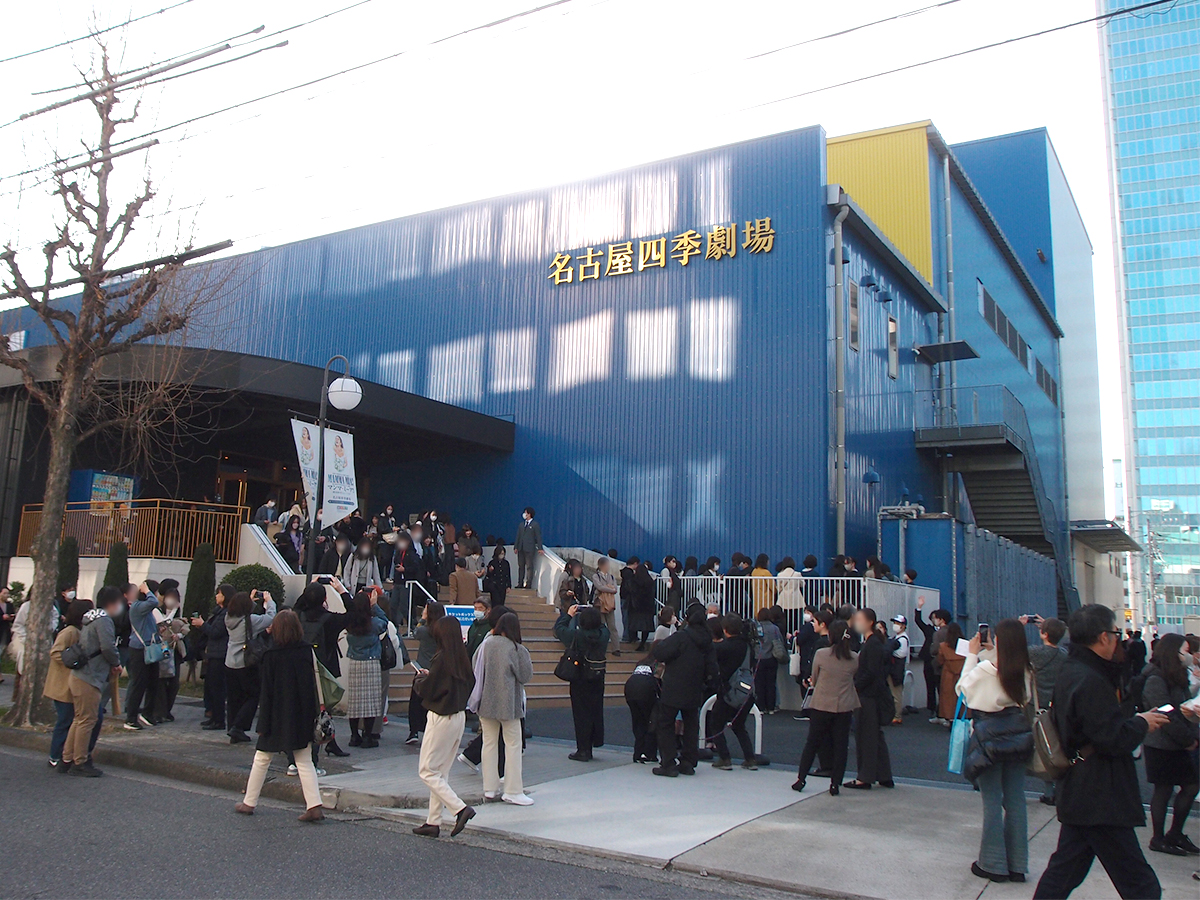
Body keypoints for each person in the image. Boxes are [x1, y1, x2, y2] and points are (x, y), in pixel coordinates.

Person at [1032, 604, 1171, 900]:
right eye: (1116, 633)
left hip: (1083, 788)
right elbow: (1111, 737)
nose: (1118, 640)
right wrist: (1141, 723)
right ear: (1103, 637)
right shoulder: (1090, 678)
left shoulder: (1073, 670)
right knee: (1141, 885)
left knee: (1064, 872)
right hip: (1101, 792)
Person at [958, 618, 1034, 883]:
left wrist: (972, 655)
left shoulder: (985, 670)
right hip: (1018, 733)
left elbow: (964, 690)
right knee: (1015, 799)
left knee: (991, 800)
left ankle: (993, 863)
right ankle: (1018, 864)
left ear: (998, 641)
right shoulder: (1026, 671)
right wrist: (989, 651)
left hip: (988, 735)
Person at [233, 609, 324, 822]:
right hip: (302, 714)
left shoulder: (271, 656)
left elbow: (267, 693)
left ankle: (249, 802)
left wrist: (262, 723)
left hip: (276, 715)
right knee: (304, 760)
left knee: (262, 758)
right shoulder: (306, 651)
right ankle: (314, 805)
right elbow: (312, 685)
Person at [412, 615, 477, 838]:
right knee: (441, 771)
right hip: (458, 716)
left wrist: (420, 679)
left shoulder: (441, 658)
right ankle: (433, 821)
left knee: (427, 771)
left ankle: (459, 808)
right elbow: (467, 682)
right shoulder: (462, 655)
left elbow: (428, 689)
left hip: (441, 716)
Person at [1139, 632, 1200, 857]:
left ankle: (1175, 833)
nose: (1188, 655)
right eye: (1185, 651)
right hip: (1161, 743)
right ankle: (1158, 837)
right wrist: (1187, 739)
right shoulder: (1156, 678)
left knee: (1190, 786)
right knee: (1164, 789)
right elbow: (1166, 713)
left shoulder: (1177, 675)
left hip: (1177, 741)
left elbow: (1182, 707)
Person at [471, 612, 534, 805]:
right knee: (513, 745)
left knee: (489, 743)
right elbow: (526, 676)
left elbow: (475, 665)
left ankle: (489, 788)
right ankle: (513, 790)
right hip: (508, 704)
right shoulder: (516, 649)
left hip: (486, 702)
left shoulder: (486, 644)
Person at [651, 603, 717, 778]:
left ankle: (668, 763)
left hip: (674, 686)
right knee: (691, 725)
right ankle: (688, 762)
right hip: (695, 687)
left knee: (665, 723)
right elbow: (712, 667)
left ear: (687, 618)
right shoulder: (707, 641)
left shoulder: (681, 637)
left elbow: (659, 652)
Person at [793, 618, 858, 795]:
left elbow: (814, 677)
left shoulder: (821, 654)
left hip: (822, 703)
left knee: (812, 742)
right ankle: (835, 783)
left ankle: (801, 778)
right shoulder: (854, 657)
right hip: (844, 705)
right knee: (841, 745)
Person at [64, 588, 123, 777]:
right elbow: (107, 646)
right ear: (112, 603)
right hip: (90, 676)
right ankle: (80, 762)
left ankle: (67, 758)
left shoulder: (89, 618)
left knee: (79, 719)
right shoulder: (104, 620)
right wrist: (116, 663)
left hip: (79, 674)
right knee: (87, 720)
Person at [293, 578, 354, 759]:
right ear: (325, 599)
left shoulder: (298, 616)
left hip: (303, 665)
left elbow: (297, 605)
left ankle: (312, 742)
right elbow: (353, 613)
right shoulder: (331, 619)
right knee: (324, 707)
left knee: (303, 706)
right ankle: (326, 741)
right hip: (325, 667)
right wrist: (342, 590)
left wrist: (309, 589)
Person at [844, 607, 893, 789]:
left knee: (866, 737)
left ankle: (865, 777)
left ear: (870, 622)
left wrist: (855, 686)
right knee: (874, 736)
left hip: (867, 696)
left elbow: (870, 672)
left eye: (859, 619)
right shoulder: (873, 643)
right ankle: (883, 775)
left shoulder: (872, 645)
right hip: (872, 695)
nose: (856, 623)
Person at [1022, 614, 1068, 805]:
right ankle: (1053, 790)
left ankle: (1039, 789)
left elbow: (1015, 650)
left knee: (1034, 745)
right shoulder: (1064, 655)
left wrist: (1020, 626)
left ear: (1044, 634)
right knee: (1053, 744)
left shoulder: (1034, 652)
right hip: (1055, 705)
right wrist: (1051, 627)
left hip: (1035, 704)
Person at [554, 604, 608, 761]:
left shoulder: (577, 635)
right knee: (596, 710)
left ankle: (583, 749)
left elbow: (559, 629)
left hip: (580, 677)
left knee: (581, 713)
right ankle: (594, 742)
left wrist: (568, 615)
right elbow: (603, 627)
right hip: (598, 676)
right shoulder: (603, 634)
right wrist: (594, 614)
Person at [225, 590, 277, 744]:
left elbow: (243, 611)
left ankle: (233, 729)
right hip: (245, 661)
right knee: (253, 695)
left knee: (234, 698)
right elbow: (270, 617)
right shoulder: (251, 620)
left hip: (230, 661)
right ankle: (238, 726)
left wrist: (250, 601)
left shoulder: (228, 618)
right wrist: (269, 601)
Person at [45, 599, 92, 771]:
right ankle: (55, 755)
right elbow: (55, 652)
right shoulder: (69, 632)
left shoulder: (81, 631)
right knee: (64, 721)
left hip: (72, 684)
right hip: (62, 684)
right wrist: (71, 661)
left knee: (71, 720)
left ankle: (67, 754)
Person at [709, 614, 760, 770]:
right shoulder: (748, 646)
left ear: (725, 630)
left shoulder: (722, 648)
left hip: (729, 692)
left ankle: (724, 758)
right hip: (747, 692)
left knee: (716, 723)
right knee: (739, 725)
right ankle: (750, 758)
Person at [343, 590, 388, 747]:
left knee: (354, 702)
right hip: (371, 662)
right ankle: (368, 736)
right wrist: (375, 605)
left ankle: (354, 736)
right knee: (371, 702)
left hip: (355, 662)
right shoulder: (373, 623)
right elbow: (385, 622)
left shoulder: (350, 623)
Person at [193, 584, 232, 732]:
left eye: (219, 594)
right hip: (212, 652)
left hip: (220, 654)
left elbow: (216, 632)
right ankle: (213, 717)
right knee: (211, 687)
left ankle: (219, 719)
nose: (216, 596)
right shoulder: (217, 612)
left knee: (218, 688)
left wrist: (203, 625)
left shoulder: (226, 613)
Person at [407, 601, 445, 746]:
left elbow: (415, 632)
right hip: (438, 670)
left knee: (416, 701)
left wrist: (422, 618)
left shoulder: (424, 630)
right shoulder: (444, 630)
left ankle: (414, 731)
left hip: (422, 668)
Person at [124, 581, 160, 730]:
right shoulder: (137, 606)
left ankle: (148, 713)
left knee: (153, 682)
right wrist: (147, 590)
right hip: (139, 649)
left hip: (150, 648)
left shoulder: (146, 609)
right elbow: (154, 602)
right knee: (139, 683)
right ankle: (131, 718)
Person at [915, 597, 949, 719]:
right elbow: (918, 621)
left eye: (935, 618)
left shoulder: (947, 631)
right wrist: (919, 607)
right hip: (929, 660)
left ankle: (942, 710)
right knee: (930, 686)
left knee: (941, 686)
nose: (933, 620)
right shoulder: (929, 629)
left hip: (941, 661)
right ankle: (932, 709)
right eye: (932, 618)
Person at [624, 654, 660, 764]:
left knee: (637, 722)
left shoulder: (641, 663)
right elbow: (658, 685)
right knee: (650, 722)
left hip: (630, 688)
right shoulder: (656, 665)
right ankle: (649, 753)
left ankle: (638, 753)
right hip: (646, 691)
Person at [754, 607, 786, 714]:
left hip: (758, 658)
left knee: (759, 683)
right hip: (771, 658)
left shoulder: (756, 627)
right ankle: (771, 707)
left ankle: (761, 707)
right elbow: (780, 640)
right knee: (771, 683)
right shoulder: (775, 628)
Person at [935, 622, 966, 725]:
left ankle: (950, 719)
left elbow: (940, 660)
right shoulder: (965, 645)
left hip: (948, 674)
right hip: (962, 673)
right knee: (962, 696)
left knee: (948, 698)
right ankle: (963, 718)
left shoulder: (943, 646)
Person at [623, 557, 656, 651]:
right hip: (647, 608)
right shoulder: (650, 582)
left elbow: (629, 590)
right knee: (646, 627)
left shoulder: (634, 581)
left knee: (633, 624)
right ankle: (642, 643)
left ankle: (632, 639)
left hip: (636, 607)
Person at [592, 557, 620, 655]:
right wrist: (610, 589)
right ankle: (601, 647)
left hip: (610, 604)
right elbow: (599, 587)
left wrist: (607, 588)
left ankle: (616, 648)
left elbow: (615, 588)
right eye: (606, 565)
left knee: (612, 626)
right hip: (600, 603)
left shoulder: (611, 577)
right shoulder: (596, 576)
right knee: (601, 626)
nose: (608, 567)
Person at [887, 614, 910, 725]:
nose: (895, 625)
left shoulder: (903, 639)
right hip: (893, 669)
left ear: (904, 626)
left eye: (898, 623)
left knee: (896, 693)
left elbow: (901, 654)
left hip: (897, 670)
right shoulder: (896, 638)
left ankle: (897, 716)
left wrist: (889, 650)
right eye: (895, 623)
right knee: (892, 693)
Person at [514, 507, 542, 590]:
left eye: (526, 512)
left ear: (529, 514)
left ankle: (528, 583)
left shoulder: (535, 525)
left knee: (529, 566)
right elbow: (518, 536)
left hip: (529, 548)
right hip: (521, 548)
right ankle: (520, 582)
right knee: (521, 566)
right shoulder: (521, 525)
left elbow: (538, 537)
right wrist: (516, 547)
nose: (524, 514)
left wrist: (540, 548)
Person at [483, 544, 512, 609]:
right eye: (501, 553)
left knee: (501, 602)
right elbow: (488, 576)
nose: (502, 555)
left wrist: (509, 585)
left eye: (503, 554)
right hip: (494, 586)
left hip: (502, 585)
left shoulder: (506, 563)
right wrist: (490, 570)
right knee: (495, 602)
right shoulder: (492, 562)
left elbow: (508, 575)